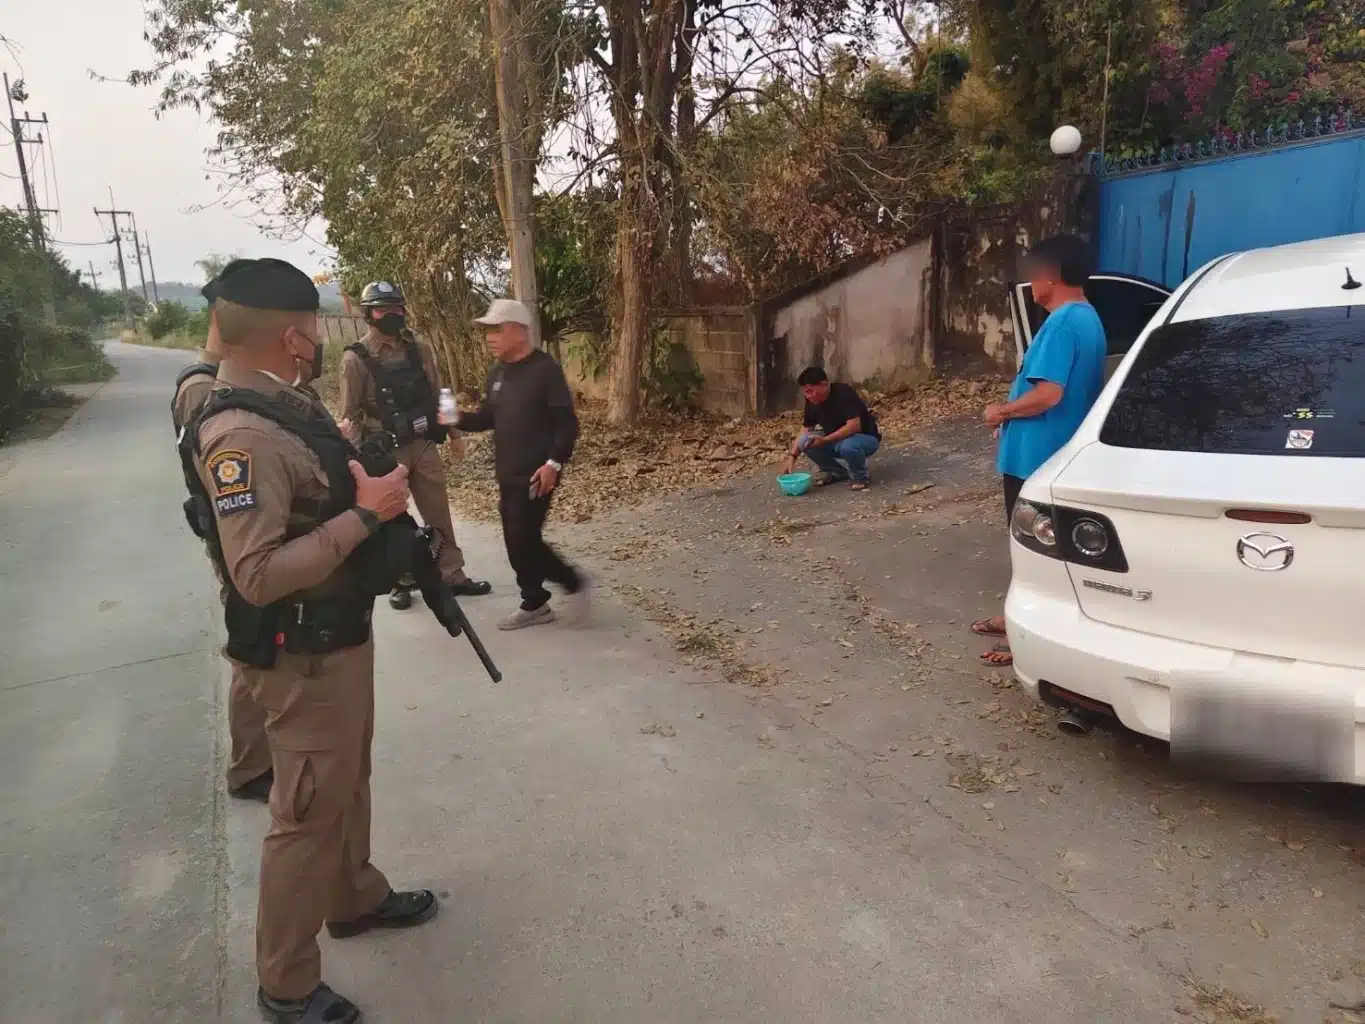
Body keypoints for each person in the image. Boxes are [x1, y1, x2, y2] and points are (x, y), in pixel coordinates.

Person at [185, 258, 437, 1024]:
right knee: (303, 813)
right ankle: (287, 983)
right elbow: (257, 573)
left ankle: (354, 896)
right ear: (296, 337)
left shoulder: (288, 405)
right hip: (298, 653)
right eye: (317, 327)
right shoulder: (242, 435)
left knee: (344, 781)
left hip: (339, 637)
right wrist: (366, 515)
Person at [974, 234, 1107, 666]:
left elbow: (1049, 395)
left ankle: (1025, 636)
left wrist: (1002, 411)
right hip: (1046, 455)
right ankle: (1016, 617)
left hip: (1038, 460)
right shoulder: (1084, 319)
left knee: (1036, 549)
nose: (1030, 283)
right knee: (1033, 547)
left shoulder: (1065, 322)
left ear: (1050, 275)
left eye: (1033, 273)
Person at [171, 259, 271, 802]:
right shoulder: (203, 391)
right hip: (237, 539)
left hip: (236, 533)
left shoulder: (209, 383)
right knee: (252, 645)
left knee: (258, 641)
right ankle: (251, 765)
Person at [338, 280, 490, 609]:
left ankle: (453, 574)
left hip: (423, 444)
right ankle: (400, 580)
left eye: (396, 308)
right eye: (382, 309)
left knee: (438, 510)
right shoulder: (355, 360)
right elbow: (350, 415)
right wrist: (351, 462)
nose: (391, 314)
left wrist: (454, 434)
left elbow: (440, 393)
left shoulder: (419, 347)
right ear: (368, 314)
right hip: (385, 449)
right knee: (393, 517)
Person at [456, 298, 584, 630]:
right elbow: (488, 417)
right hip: (507, 473)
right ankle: (553, 587)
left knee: (522, 537)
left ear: (517, 330)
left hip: (537, 473)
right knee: (520, 539)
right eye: (487, 332)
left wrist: (554, 464)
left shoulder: (545, 371)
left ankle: (545, 595)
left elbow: (566, 423)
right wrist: (456, 419)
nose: (490, 338)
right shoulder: (498, 373)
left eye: (496, 330)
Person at [783, 366, 881, 490]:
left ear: (824, 384)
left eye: (810, 391)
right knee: (804, 441)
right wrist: (793, 456)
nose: (808, 396)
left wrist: (825, 440)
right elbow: (805, 429)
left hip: (865, 439)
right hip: (835, 440)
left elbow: (854, 426)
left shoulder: (843, 392)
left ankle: (860, 476)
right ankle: (836, 472)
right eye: (805, 392)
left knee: (848, 446)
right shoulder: (812, 401)